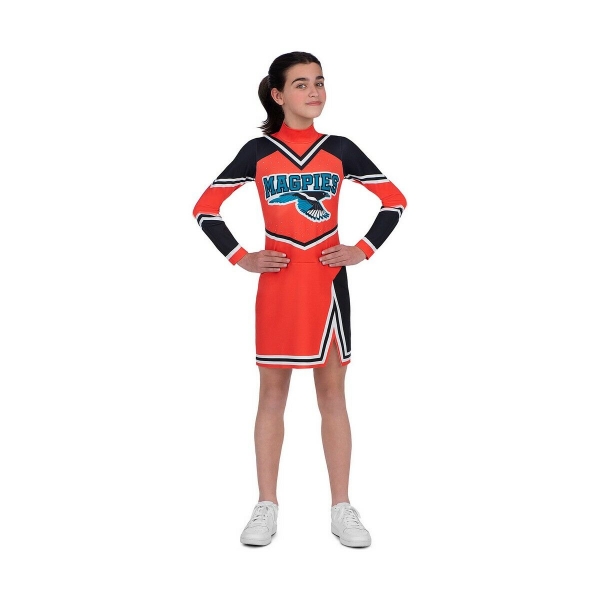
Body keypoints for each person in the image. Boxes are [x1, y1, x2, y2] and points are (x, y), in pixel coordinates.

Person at [192, 51, 407, 547]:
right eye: (302, 84)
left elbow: (394, 200)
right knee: (272, 395)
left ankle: (342, 507)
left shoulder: (340, 148)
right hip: (279, 285)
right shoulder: (258, 151)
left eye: (320, 82)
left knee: (332, 395)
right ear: (277, 94)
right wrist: (241, 257)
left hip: (328, 285)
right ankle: (265, 505)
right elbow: (205, 208)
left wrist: (363, 249)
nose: (314, 92)